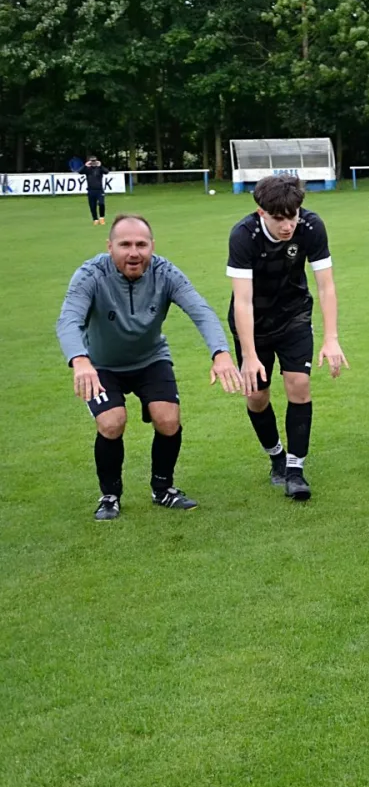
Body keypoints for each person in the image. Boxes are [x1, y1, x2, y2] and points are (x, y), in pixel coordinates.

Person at [56, 214, 246, 519]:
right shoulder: (90, 274)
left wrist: (220, 353)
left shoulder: (165, 272)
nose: (134, 252)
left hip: (150, 359)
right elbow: (69, 319)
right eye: (125, 245)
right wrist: (80, 360)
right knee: (111, 422)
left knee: (168, 420)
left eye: (141, 245)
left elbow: (201, 310)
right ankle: (110, 495)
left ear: (152, 246)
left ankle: (163, 489)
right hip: (101, 365)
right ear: (110, 246)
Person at [227, 174, 348, 501]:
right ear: (261, 212)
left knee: (299, 384)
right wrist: (249, 356)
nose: (287, 226)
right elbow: (242, 301)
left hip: (294, 316)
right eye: (278, 219)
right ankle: (276, 456)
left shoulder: (311, 226)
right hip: (253, 324)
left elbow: (326, 285)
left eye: (292, 216)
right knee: (257, 397)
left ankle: (295, 470)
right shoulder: (243, 235)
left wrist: (331, 338)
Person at [84, 156, 108, 225]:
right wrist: (85, 165)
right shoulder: (88, 169)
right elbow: (79, 171)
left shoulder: (99, 169)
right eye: (92, 161)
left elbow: (106, 172)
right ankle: (95, 219)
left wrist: (100, 166)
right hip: (91, 190)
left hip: (99, 190)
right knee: (92, 206)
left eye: (94, 161)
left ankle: (102, 218)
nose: (93, 163)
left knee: (101, 203)